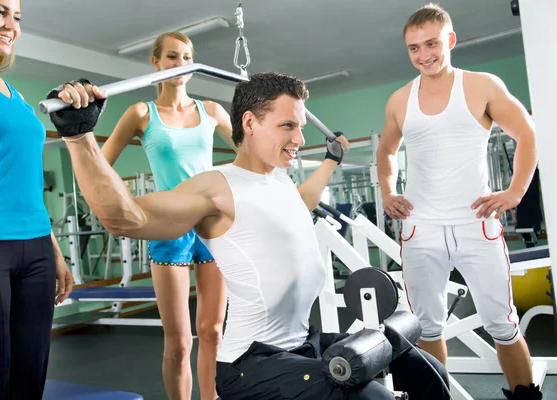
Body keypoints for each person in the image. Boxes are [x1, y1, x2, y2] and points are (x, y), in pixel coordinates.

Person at [45, 71, 449, 400]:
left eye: (301, 126)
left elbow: (300, 203)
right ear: (250, 123)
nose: (299, 138)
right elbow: (126, 219)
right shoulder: (215, 187)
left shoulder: (278, 181)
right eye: (288, 126)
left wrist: (330, 162)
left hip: (301, 343)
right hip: (251, 364)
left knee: (426, 372)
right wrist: (80, 137)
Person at [376, 3, 540, 399]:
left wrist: (515, 192)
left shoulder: (482, 85)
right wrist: (387, 191)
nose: (423, 55)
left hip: (475, 224)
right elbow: (385, 152)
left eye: (431, 43)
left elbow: (528, 134)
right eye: (413, 48)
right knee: (427, 327)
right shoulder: (400, 99)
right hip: (421, 227)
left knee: (502, 324)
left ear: (450, 40)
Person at [99, 31, 235, 400]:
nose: (180, 64)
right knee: (178, 342)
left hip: (212, 224)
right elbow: (101, 165)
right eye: (172, 56)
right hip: (170, 227)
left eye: (187, 56)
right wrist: (130, 205)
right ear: (155, 62)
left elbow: (252, 152)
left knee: (213, 331)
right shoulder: (142, 113)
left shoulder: (210, 111)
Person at [0, 0, 73, 399]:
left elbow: (23, 180)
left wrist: (53, 248)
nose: (11, 25)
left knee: (30, 375)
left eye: (17, 17)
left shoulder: (15, 93)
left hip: (37, 245)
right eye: (0, 11)